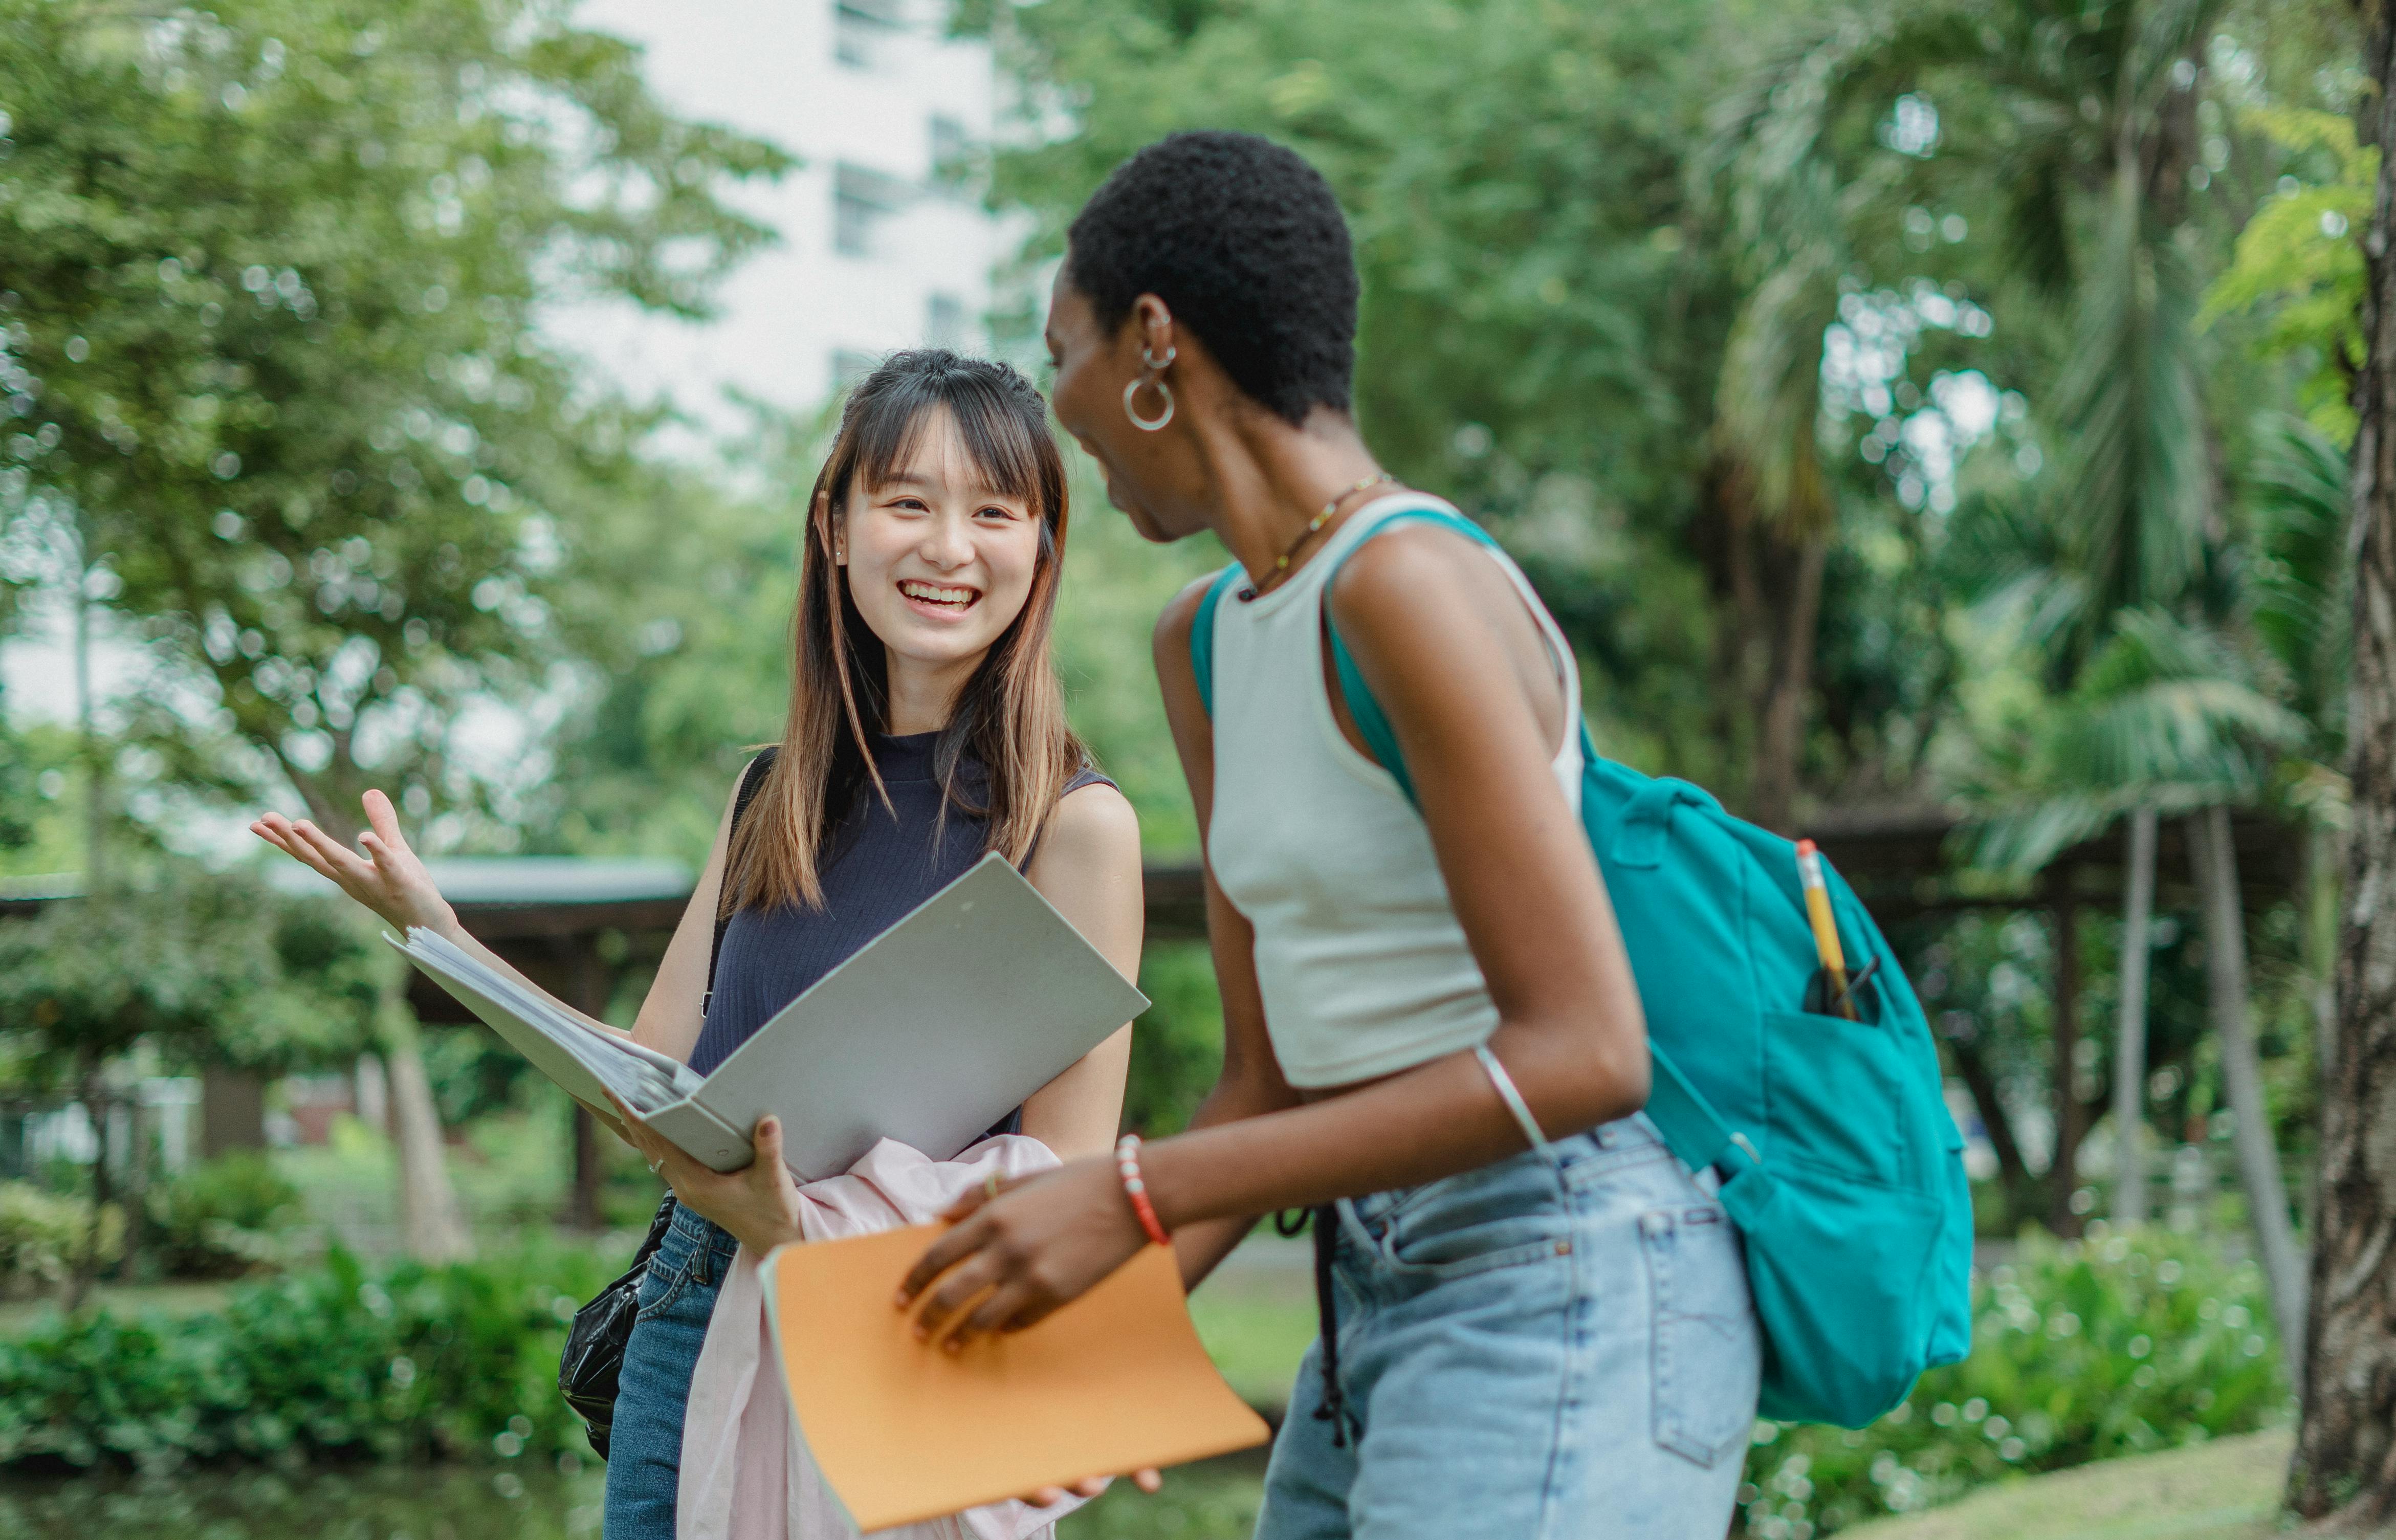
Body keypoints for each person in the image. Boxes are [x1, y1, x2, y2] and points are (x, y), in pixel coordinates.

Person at [896, 134, 1762, 1537]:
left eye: (1061, 350)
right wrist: (1076, 1350)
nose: (1057, 408)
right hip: (1370, 1283)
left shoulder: (1405, 583)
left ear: (1153, 344)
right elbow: (1267, 1078)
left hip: (1560, 1260)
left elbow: (1589, 1052)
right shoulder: (1211, 642)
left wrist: (1133, 1189)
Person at [252, 350, 1145, 1540]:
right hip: (695, 1302)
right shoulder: (769, 797)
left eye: (994, 511)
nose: (948, 547)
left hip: (912, 1346)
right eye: (906, 501)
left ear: (1041, 549)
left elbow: (1064, 1188)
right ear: (835, 526)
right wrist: (443, 936)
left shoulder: (1073, 827)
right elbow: (649, 1081)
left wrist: (804, 1231)